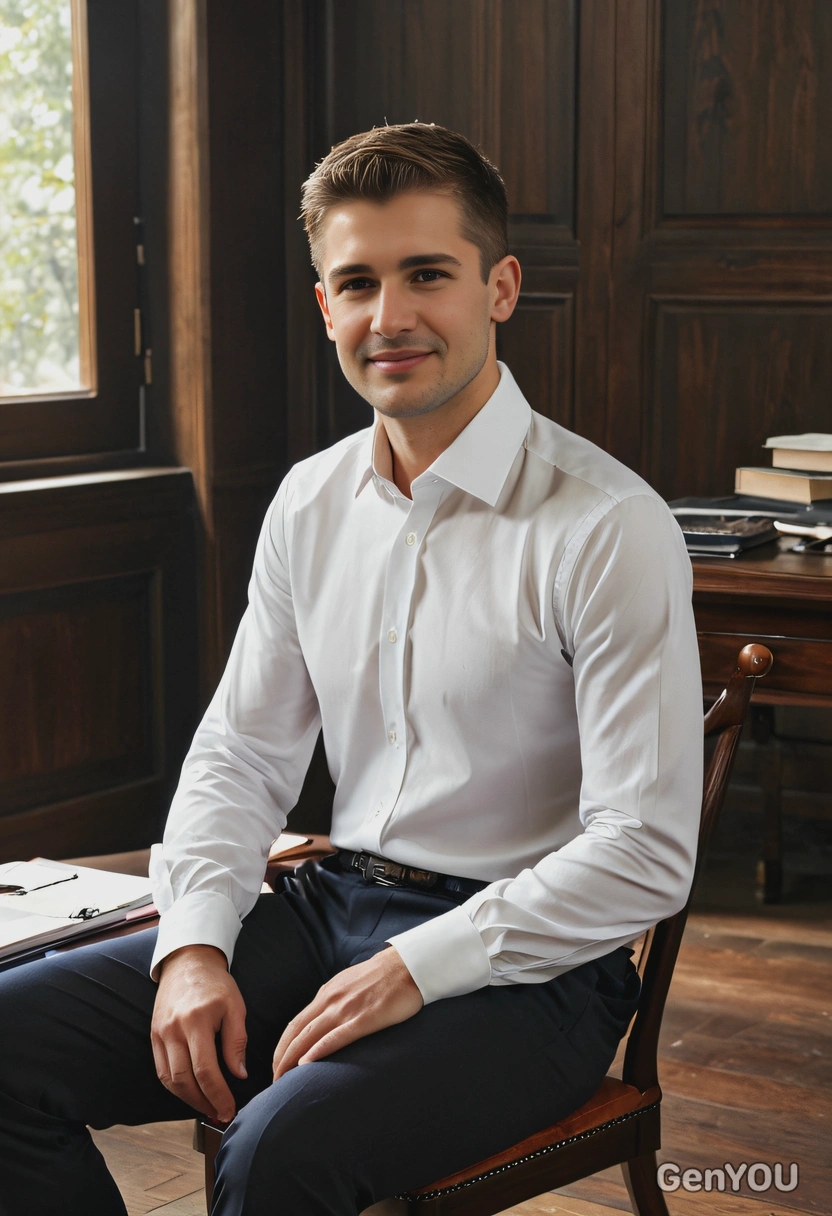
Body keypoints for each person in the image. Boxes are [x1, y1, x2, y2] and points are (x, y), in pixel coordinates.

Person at [0, 123, 702, 1216]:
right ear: (325, 305)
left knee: (280, 1154)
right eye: (358, 283)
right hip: (333, 901)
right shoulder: (308, 501)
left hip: (535, 971)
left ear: (500, 286)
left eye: (428, 274)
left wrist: (420, 966)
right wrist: (191, 943)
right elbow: (240, 752)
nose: (391, 317)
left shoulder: (608, 525)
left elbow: (645, 852)